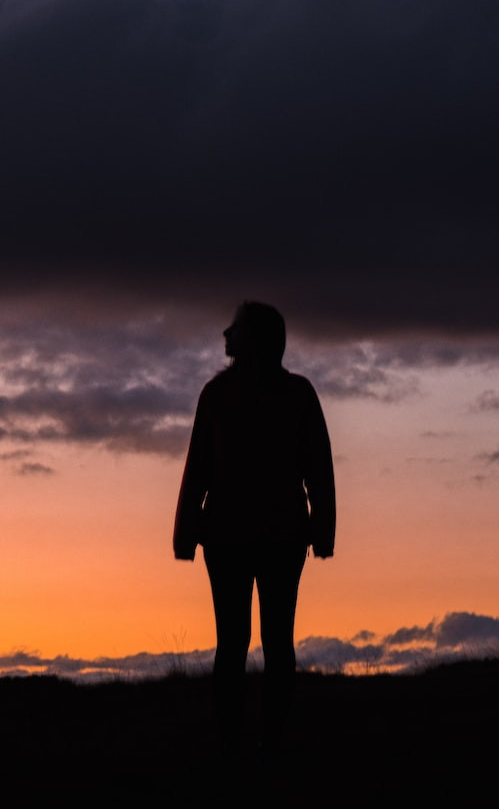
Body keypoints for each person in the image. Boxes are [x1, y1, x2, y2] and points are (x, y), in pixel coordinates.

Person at [174, 302, 335, 752]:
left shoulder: (295, 394)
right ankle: (235, 740)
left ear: (255, 339)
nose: (226, 336)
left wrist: (322, 532)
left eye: (236, 330)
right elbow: (199, 468)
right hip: (234, 536)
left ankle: (271, 741)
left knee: (275, 641)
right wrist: (186, 533)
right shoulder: (218, 395)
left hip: (273, 536)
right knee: (234, 642)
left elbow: (317, 469)